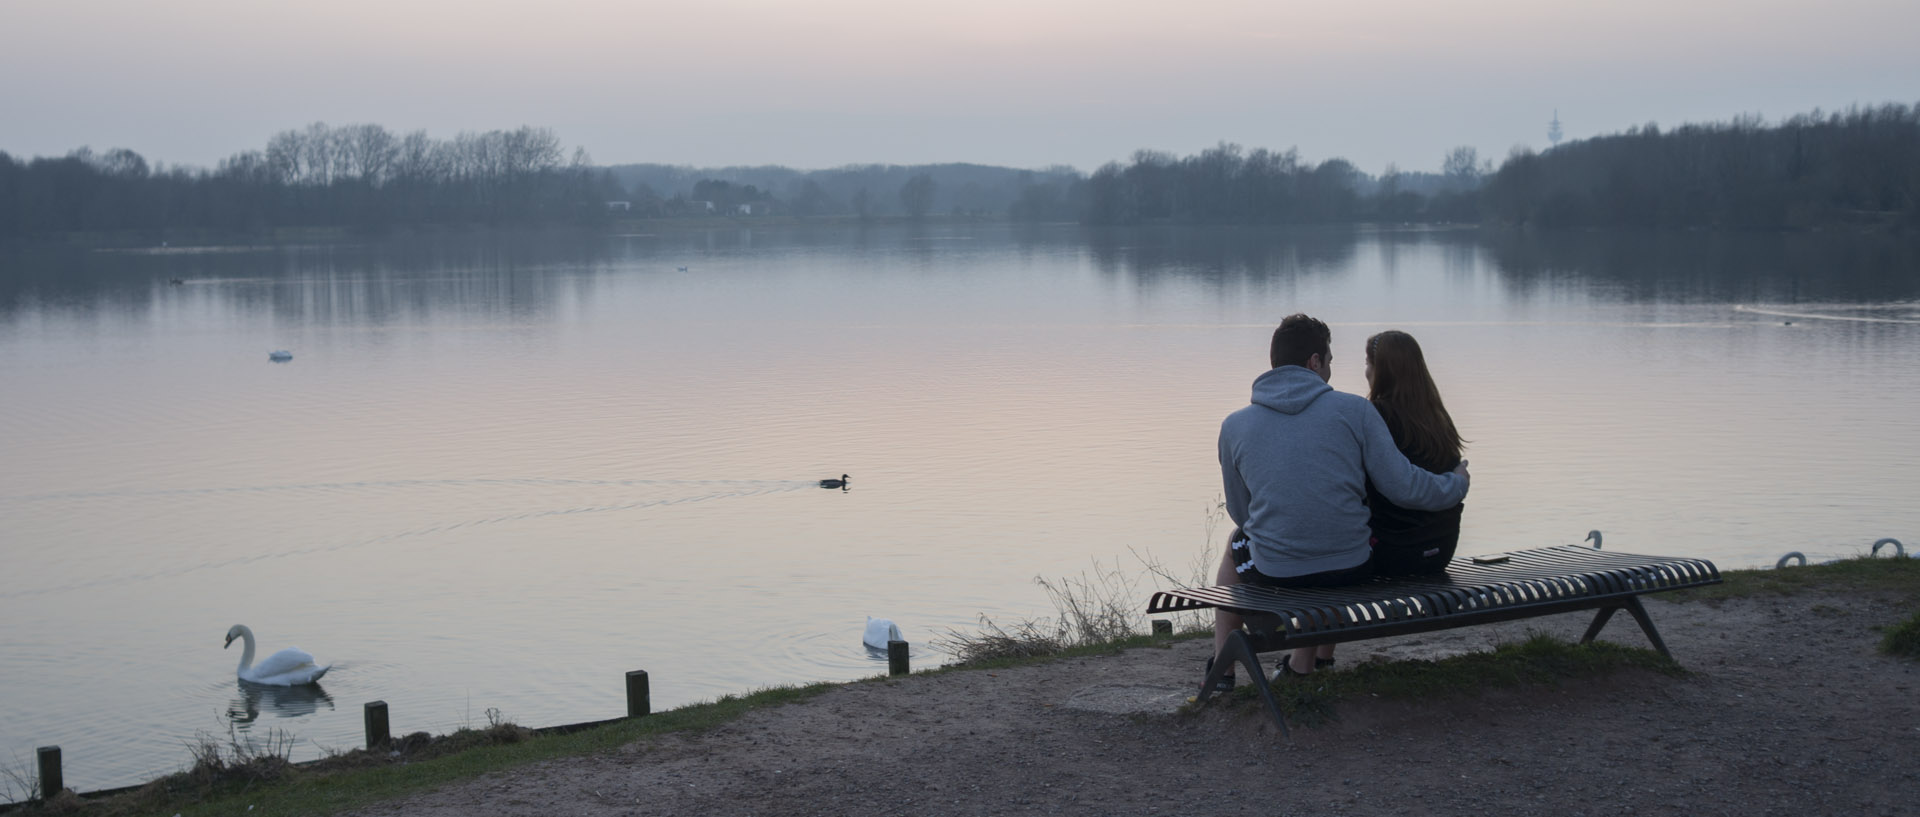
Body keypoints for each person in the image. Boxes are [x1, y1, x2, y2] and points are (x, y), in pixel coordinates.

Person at [1211, 314, 1469, 686]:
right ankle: (1304, 665)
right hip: (1351, 566)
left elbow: (1241, 512)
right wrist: (1456, 485)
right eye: (1329, 360)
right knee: (1334, 532)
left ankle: (1222, 667)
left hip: (1276, 571)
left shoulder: (1234, 425)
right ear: (1315, 362)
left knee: (1235, 543)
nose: (1331, 368)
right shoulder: (1355, 411)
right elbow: (1404, 487)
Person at [1364, 330, 1467, 576]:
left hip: (1395, 550)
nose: (1366, 371)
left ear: (1382, 370)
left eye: (1367, 363)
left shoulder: (1375, 416)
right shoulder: (1438, 417)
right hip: (1442, 547)